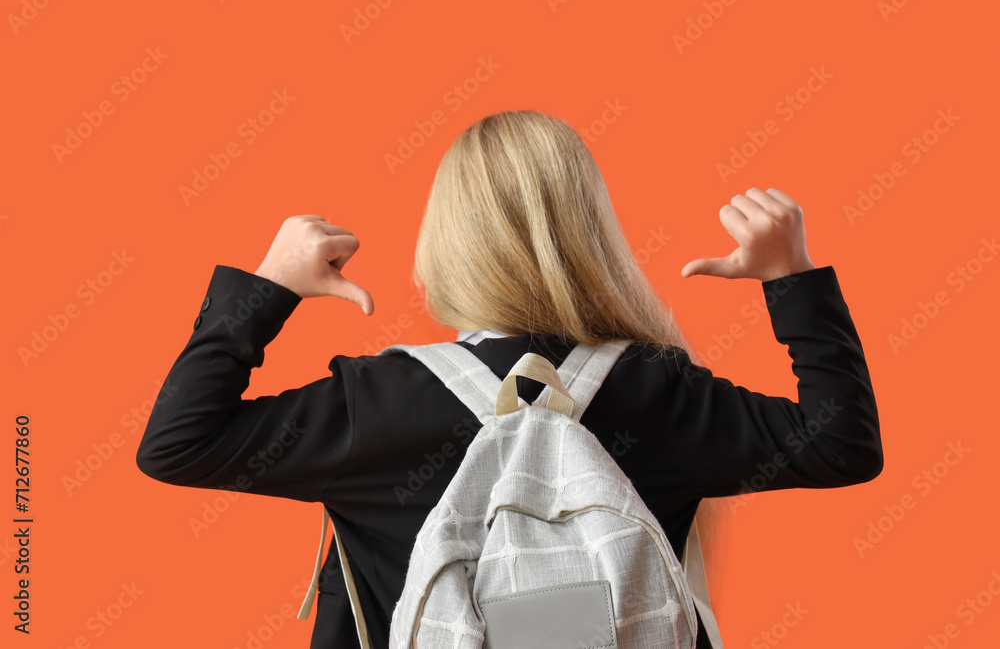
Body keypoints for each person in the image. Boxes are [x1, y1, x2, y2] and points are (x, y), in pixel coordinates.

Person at [135, 109, 883, 648]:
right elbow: (842, 444)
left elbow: (178, 443)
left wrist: (267, 289)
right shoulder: (657, 392)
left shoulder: (380, 404)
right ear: (592, 235)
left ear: (444, 241)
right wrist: (791, 276)